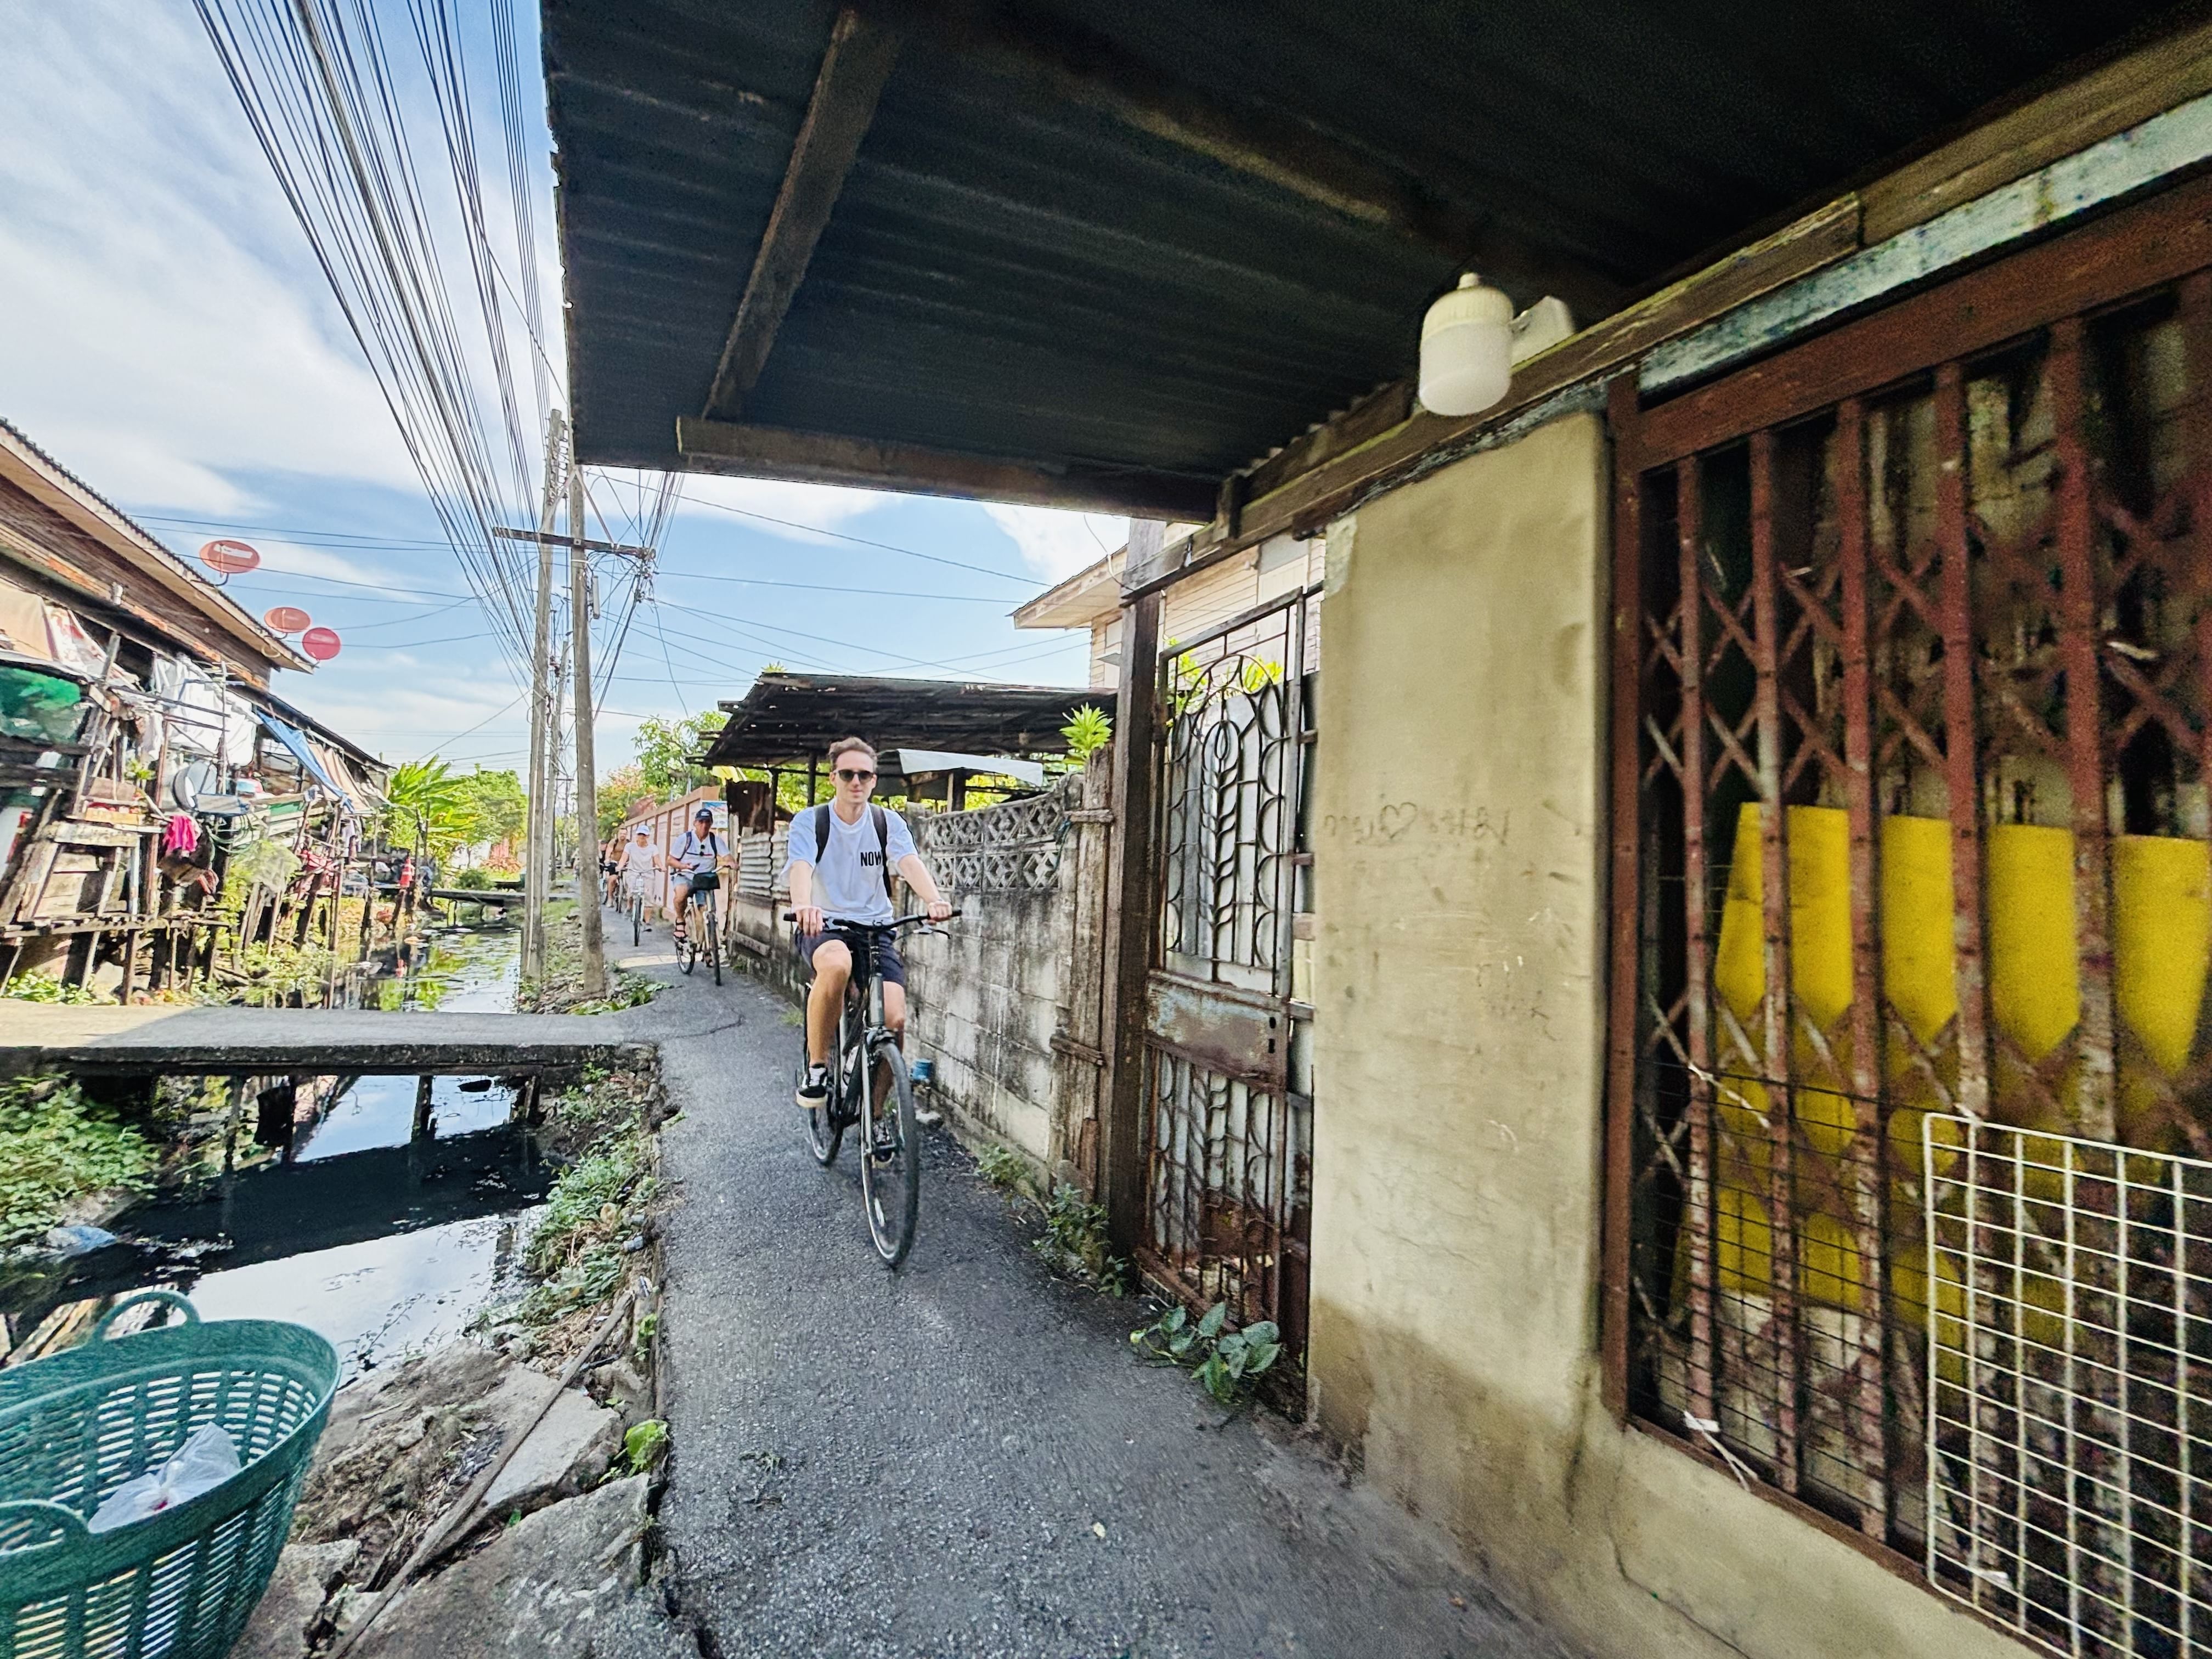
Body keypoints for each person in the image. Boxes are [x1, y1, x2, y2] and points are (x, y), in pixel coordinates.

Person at [786, 737, 952, 1111]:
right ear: (834, 778)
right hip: (824, 924)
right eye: (848, 774)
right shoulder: (811, 822)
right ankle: (817, 1068)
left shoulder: (886, 823)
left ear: (874, 780)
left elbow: (908, 862)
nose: (856, 782)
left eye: (864, 775)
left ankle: (875, 1117)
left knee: (894, 1020)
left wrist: (934, 899)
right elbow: (801, 866)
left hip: (875, 929)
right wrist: (803, 905)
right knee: (837, 965)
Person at [667, 804, 728, 947]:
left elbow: (728, 856)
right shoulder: (685, 839)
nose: (704, 825)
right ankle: (680, 921)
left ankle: (707, 948)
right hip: (686, 875)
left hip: (704, 880)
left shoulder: (715, 841)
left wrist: (732, 863)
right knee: (681, 894)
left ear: (711, 824)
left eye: (707, 822)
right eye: (701, 822)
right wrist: (684, 866)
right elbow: (670, 860)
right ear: (695, 823)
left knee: (706, 913)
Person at [620, 826, 657, 929]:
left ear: (648, 836)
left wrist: (661, 867)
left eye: (644, 835)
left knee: (648, 897)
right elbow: (624, 858)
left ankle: (647, 923)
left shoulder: (653, 848)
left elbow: (657, 859)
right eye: (640, 834)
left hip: (647, 874)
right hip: (633, 873)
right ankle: (630, 907)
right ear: (637, 835)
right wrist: (620, 866)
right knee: (631, 892)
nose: (642, 837)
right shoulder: (630, 846)